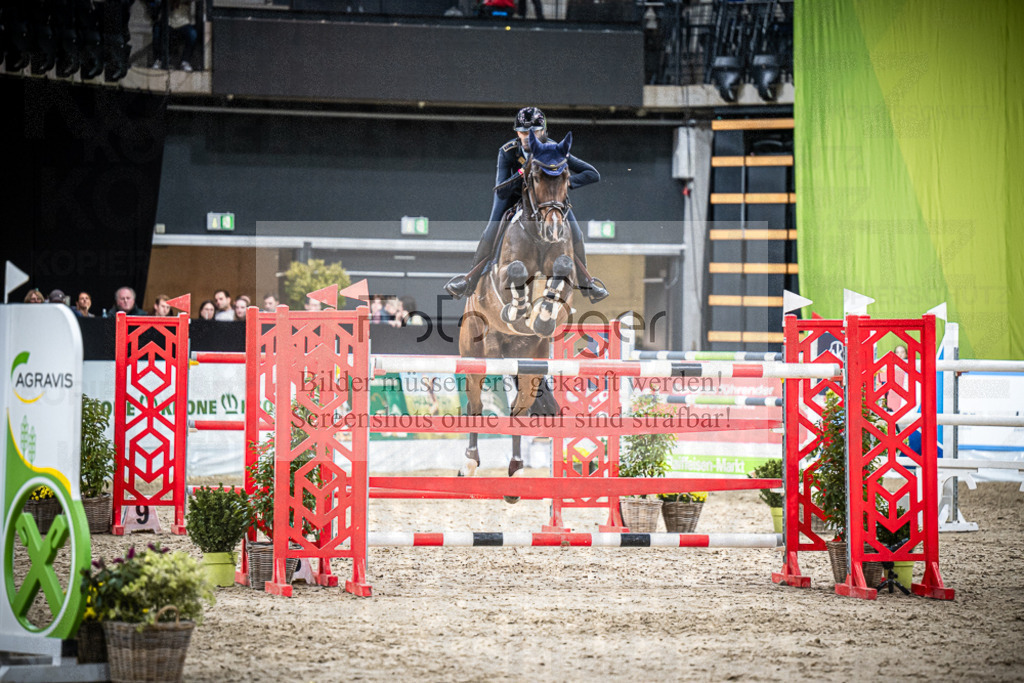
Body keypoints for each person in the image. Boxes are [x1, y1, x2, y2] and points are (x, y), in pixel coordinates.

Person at [444, 106, 608, 304]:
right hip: (513, 196)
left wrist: (567, 183)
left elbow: (593, 174)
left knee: (576, 232)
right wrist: (523, 171)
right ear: (517, 132)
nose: (527, 136)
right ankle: (470, 281)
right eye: (522, 132)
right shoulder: (508, 151)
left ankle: (586, 283)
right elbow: (501, 190)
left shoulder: (555, 149)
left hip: (549, 199)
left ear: (543, 131)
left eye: (534, 132)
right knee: (491, 229)